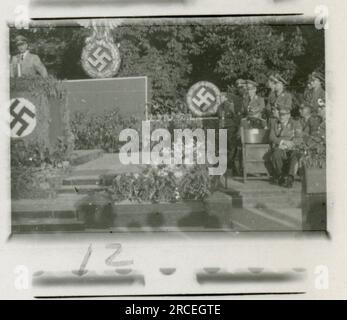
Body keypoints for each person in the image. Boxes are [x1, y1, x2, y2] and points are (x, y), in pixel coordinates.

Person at [269, 107, 303, 188]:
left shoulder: (295, 123)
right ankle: (281, 176)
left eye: (284, 115)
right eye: (280, 114)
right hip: (280, 146)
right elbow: (271, 137)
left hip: (292, 146)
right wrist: (283, 142)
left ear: (289, 115)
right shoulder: (275, 123)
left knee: (295, 155)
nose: (281, 117)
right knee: (276, 154)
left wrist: (291, 144)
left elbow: (299, 138)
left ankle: (290, 178)